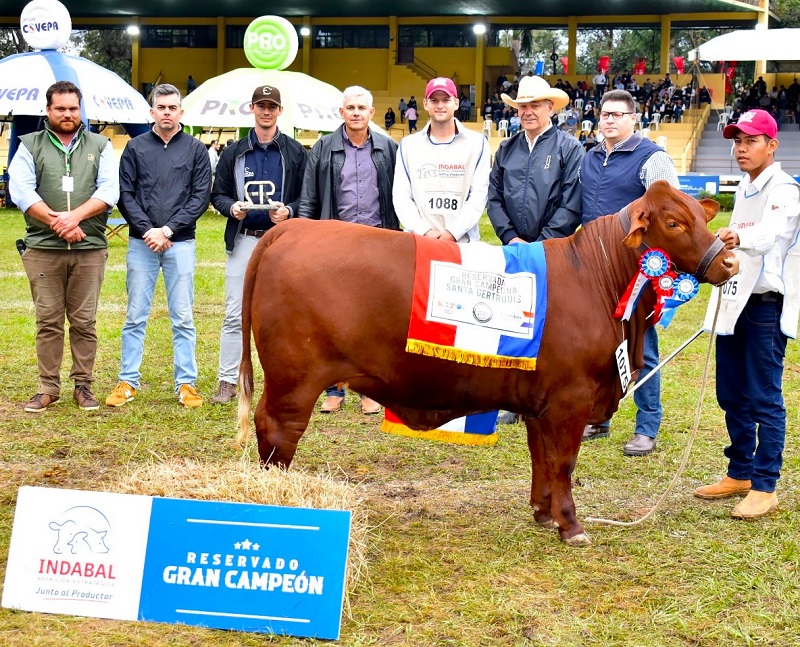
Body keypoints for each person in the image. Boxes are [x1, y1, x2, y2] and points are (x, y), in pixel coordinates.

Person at [694, 109, 800, 518]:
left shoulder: (785, 189)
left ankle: (765, 485)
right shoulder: (746, 186)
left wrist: (736, 235)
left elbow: (770, 233)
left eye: (751, 141)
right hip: (737, 299)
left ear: (772, 145)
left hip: (765, 306)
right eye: (738, 141)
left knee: (763, 397)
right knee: (731, 392)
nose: (741, 148)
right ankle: (739, 471)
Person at [579, 90, 680, 456]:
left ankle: (646, 427)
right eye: (605, 114)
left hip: (636, 269)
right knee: (598, 345)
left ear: (633, 119)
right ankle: (599, 416)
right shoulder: (590, 156)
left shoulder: (652, 158)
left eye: (618, 114)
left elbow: (670, 212)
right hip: (594, 267)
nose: (609, 120)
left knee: (643, 347)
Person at [8, 80, 119, 412]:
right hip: (43, 248)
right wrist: (59, 223)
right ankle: (48, 388)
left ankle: (83, 386)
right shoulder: (29, 145)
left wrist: (75, 218)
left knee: (84, 322)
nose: (68, 114)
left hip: (89, 248)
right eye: (60, 108)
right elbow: (22, 191)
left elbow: (109, 190)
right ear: (48, 110)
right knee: (48, 321)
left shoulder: (101, 145)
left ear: (80, 109)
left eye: (73, 108)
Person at [105, 83, 211, 409]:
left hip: (181, 243)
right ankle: (128, 381)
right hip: (142, 244)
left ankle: (186, 383)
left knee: (183, 317)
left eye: (172, 107)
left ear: (181, 112)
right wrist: (148, 230)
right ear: (152, 112)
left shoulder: (195, 149)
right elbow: (126, 194)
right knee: (135, 315)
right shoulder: (135, 148)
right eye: (161, 107)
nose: (167, 112)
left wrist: (167, 229)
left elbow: (199, 197)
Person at [299, 86, 399, 414]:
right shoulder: (323, 148)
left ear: (372, 113)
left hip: (378, 244)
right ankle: (335, 388)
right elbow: (309, 199)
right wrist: (306, 242)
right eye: (350, 107)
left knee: (374, 320)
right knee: (333, 319)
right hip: (335, 246)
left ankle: (369, 390)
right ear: (341, 112)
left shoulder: (389, 148)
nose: (356, 112)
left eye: (361, 107)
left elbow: (399, 197)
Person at [209, 85, 307, 404]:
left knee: (285, 315)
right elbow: (218, 194)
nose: (266, 111)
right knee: (235, 313)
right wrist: (231, 208)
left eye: (272, 106)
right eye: (261, 105)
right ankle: (227, 380)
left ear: (280, 111)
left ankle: (284, 380)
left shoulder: (295, 151)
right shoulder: (234, 151)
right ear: (251, 108)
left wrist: (289, 210)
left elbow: (307, 196)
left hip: (283, 243)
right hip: (244, 239)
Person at [487, 75, 583, 246]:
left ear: (550, 108)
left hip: (552, 249)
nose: (528, 112)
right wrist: (510, 237)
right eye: (523, 106)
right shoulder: (506, 148)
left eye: (535, 106)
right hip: (512, 247)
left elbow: (571, 204)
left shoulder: (570, 148)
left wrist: (540, 245)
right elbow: (494, 198)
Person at [393, 76, 489, 244]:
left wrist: (454, 232)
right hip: (420, 241)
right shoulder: (408, 145)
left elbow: (479, 195)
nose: (440, 105)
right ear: (425, 104)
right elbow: (401, 196)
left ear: (456, 103)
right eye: (434, 100)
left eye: (446, 100)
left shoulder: (478, 143)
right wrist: (424, 231)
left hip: (463, 243)